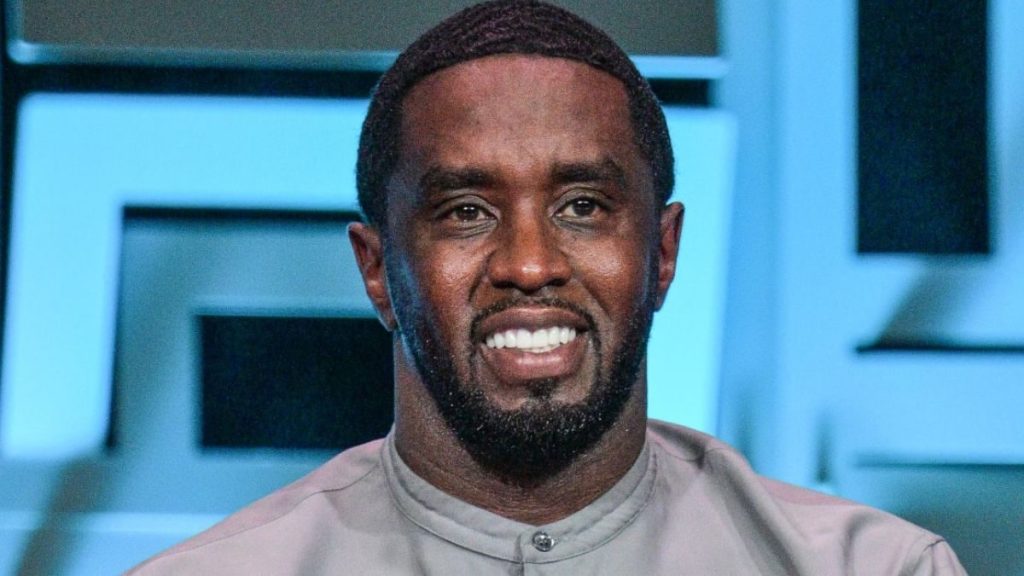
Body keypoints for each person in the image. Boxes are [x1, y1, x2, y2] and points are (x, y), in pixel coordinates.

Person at [129, 1, 966, 574]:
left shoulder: (872, 568)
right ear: (377, 271)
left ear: (663, 252)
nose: (529, 264)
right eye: (465, 212)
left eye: (583, 207)